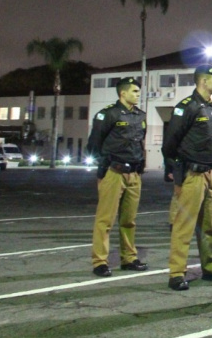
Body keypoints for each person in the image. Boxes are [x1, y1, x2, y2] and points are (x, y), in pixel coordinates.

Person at [163, 65, 212, 291]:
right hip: (192, 174)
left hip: (209, 175)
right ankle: (176, 273)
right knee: (184, 227)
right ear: (204, 81)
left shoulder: (210, 108)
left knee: (208, 226)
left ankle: (211, 268)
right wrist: (177, 175)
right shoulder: (188, 107)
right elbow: (170, 144)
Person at [88, 76, 148, 277]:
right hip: (114, 172)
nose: (138, 95)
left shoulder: (140, 115)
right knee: (105, 220)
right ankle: (100, 262)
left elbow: (141, 142)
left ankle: (129, 258)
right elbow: (94, 144)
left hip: (134, 174)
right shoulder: (108, 115)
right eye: (134, 91)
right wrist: (103, 169)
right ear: (123, 93)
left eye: (138, 92)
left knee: (129, 220)